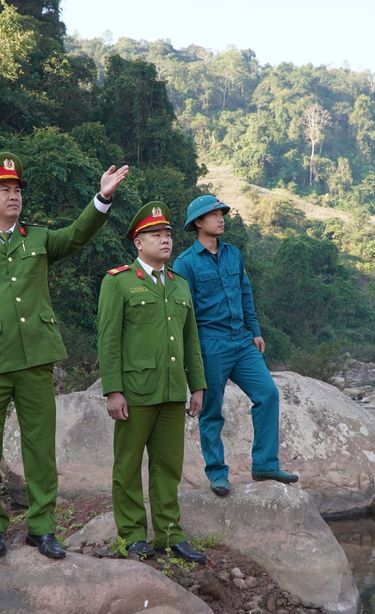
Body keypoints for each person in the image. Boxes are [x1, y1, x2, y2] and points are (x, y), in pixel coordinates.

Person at [0, 151, 129, 560]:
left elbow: (77, 235)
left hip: (35, 357)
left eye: (17, 190)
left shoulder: (39, 238)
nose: (13, 196)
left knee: (40, 446)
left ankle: (42, 527)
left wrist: (102, 199)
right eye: (4, 190)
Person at [97, 202, 207, 563]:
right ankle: (132, 535)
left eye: (168, 234)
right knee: (127, 466)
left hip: (173, 390)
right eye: (156, 234)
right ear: (138, 242)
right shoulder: (119, 282)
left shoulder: (180, 286)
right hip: (136, 391)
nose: (165, 240)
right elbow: (109, 339)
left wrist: (198, 386)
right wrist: (113, 389)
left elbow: (191, 340)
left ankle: (169, 533)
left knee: (168, 466)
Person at [171, 194, 298, 497]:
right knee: (212, 410)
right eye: (214, 215)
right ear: (198, 223)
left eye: (221, 213)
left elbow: (245, 293)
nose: (221, 218)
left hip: (241, 341)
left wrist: (254, 330)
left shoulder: (234, 254)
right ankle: (217, 473)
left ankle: (265, 464)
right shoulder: (185, 263)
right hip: (210, 342)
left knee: (267, 394)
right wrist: (190, 354)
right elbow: (181, 313)